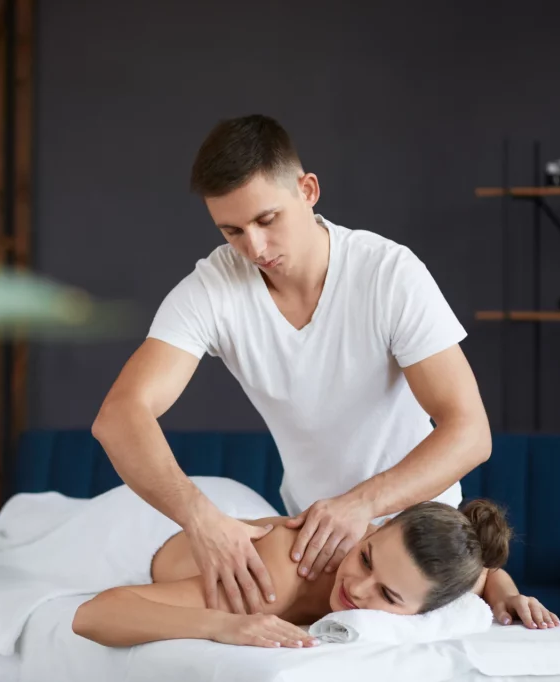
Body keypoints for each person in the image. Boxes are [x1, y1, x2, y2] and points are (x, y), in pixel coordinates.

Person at [91, 114, 492, 616]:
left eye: (266, 220)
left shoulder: (389, 274)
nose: (254, 248)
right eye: (232, 230)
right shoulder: (213, 289)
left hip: (421, 544)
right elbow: (120, 415)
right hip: (317, 548)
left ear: (307, 190)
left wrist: (362, 503)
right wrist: (200, 518)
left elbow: (471, 433)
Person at [72, 496, 560, 649]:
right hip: (141, 525)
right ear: (374, 529)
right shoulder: (272, 582)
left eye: (388, 596)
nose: (357, 588)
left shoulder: (433, 573)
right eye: (365, 557)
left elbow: (482, 573)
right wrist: (224, 624)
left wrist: (506, 594)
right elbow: (96, 614)